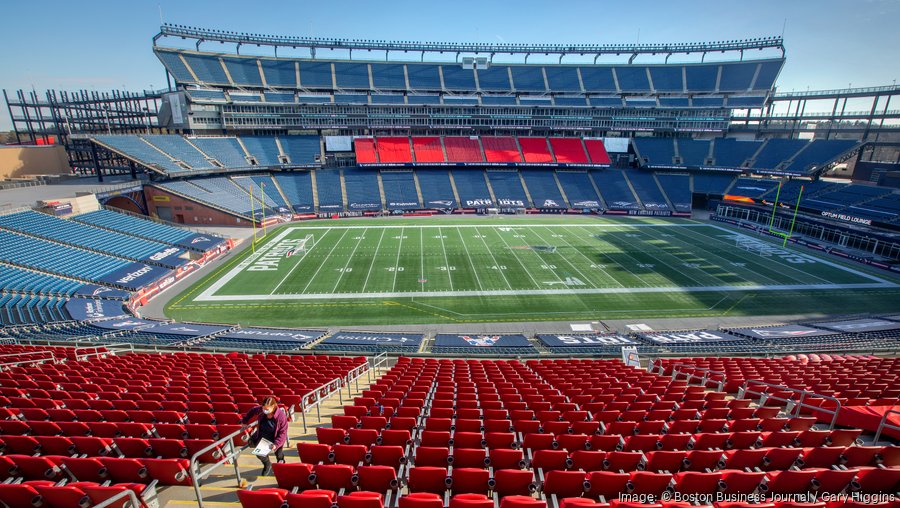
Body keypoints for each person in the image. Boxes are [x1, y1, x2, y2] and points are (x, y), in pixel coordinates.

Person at [241, 396, 289, 476]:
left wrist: (276, 444)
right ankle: (267, 464)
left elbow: (283, 433)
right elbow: (252, 410)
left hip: (275, 438)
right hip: (263, 435)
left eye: (267, 409)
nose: (264, 411)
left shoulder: (281, 417)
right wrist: (245, 420)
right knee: (259, 454)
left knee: (279, 453)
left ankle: (281, 463)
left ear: (273, 407)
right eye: (263, 408)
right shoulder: (261, 410)